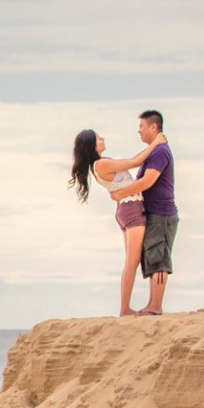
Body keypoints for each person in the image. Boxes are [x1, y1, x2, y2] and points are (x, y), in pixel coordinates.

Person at [69, 128, 167, 317]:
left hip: (126, 209)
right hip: (131, 210)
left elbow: (133, 163)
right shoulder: (101, 164)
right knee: (132, 262)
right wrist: (156, 143)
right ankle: (125, 309)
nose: (102, 138)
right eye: (98, 138)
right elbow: (135, 162)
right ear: (91, 145)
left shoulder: (99, 165)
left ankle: (125, 307)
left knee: (131, 261)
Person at [110, 109, 178, 316]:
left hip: (162, 213)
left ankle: (155, 306)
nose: (138, 130)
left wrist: (120, 193)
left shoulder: (160, 152)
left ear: (153, 127)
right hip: (155, 212)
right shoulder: (154, 151)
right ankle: (152, 304)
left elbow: (147, 181)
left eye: (141, 126)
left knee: (159, 259)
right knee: (153, 257)